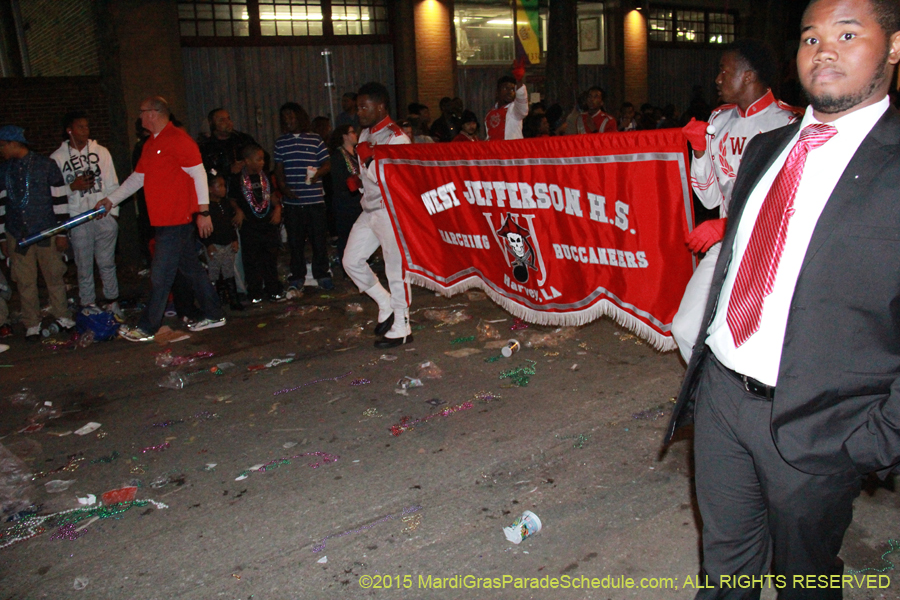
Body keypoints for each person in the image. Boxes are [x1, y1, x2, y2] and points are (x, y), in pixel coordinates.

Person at [665, 1, 900, 597]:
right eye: (810, 36)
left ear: (894, 47)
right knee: (724, 569)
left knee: (805, 580)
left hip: (821, 425)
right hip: (721, 399)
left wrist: (876, 439)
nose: (824, 49)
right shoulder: (765, 149)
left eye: (848, 33)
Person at [672, 39, 802, 363]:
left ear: (747, 76)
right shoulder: (719, 120)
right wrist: (700, 151)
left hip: (769, 250)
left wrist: (727, 224)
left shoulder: (788, 124)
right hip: (726, 241)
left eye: (723, 70)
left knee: (752, 337)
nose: (717, 79)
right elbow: (709, 195)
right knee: (686, 328)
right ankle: (711, 397)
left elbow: (786, 203)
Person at [96, 96, 225, 341]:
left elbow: (198, 175)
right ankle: (214, 313)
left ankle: (147, 327)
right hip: (164, 220)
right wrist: (111, 199)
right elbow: (138, 178)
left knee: (160, 275)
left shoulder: (178, 140)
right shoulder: (151, 144)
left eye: (143, 112)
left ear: (154, 113)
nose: (140, 117)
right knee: (192, 270)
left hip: (176, 220)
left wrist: (203, 212)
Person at [341, 82, 412, 348]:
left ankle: (403, 325)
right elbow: (369, 173)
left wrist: (369, 161)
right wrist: (359, 180)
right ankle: (385, 303)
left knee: (396, 268)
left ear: (380, 106)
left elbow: (396, 179)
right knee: (351, 260)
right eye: (358, 107)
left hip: (391, 210)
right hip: (370, 207)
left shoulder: (396, 137)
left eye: (363, 106)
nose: (358, 111)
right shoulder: (365, 133)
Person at [0, 125, 74, 340]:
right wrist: (3, 237)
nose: (1, 150)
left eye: (3, 145)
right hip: (17, 232)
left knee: (54, 275)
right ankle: (32, 322)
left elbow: (60, 200)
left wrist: (62, 233)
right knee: (24, 280)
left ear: (15, 144)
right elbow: (1, 205)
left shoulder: (46, 165)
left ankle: (62, 315)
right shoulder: (4, 170)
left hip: (47, 231)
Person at [50, 111, 122, 315]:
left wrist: (113, 213)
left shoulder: (101, 152)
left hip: (103, 215)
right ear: (69, 130)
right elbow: (54, 193)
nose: (85, 130)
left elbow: (112, 183)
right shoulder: (57, 158)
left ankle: (112, 301)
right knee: (84, 265)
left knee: (107, 262)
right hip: (78, 217)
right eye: (80, 127)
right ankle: (88, 304)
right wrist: (72, 186)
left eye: (87, 126)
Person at [273, 102, 333, 291]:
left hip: (314, 200)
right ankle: (297, 275)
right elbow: (279, 169)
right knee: (295, 241)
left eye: (291, 116)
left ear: (300, 117)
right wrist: (283, 187)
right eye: (285, 118)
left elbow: (327, 164)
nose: (288, 121)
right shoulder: (281, 143)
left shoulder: (315, 139)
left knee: (318, 240)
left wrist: (317, 174)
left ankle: (322, 273)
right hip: (293, 201)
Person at [229, 144, 284, 303]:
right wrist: (238, 209)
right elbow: (232, 199)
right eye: (258, 159)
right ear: (247, 161)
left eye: (263, 159)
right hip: (250, 225)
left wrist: (278, 208)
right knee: (252, 259)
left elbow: (273, 195)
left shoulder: (265, 176)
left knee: (270, 257)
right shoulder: (238, 179)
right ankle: (255, 291)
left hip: (267, 223)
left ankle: (273, 289)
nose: (261, 162)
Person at [203, 171, 243, 311]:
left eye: (224, 186)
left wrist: (234, 239)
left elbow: (230, 224)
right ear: (209, 189)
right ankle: (215, 302)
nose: (223, 189)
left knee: (228, 272)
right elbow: (202, 229)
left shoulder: (225, 204)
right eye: (219, 186)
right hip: (215, 245)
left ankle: (233, 300)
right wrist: (208, 244)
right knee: (214, 275)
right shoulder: (206, 207)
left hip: (227, 244)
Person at [326, 124, 362, 263]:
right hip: (345, 202)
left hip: (357, 200)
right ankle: (347, 266)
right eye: (352, 132)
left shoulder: (356, 154)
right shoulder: (338, 156)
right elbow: (340, 181)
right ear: (344, 136)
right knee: (346, 236)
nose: (355, 135)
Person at [198, 108, 258, 178]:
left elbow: (263, 157)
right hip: (224, 186)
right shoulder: (206, 147)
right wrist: (228, 170)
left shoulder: (244, 140)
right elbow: (207, 171)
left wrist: (248, 163)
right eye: (222, 120)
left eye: (228, 119)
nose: (227, 123)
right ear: (212, 124)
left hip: (247, 183)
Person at [485, 59, 528, 141]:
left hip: (511, 152)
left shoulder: (515, 110)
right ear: (497, 92)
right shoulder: (489, 114)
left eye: (512, 89)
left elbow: (522, 104)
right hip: (495, 153)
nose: (510, 92)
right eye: (505, 88)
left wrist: (519, 81)